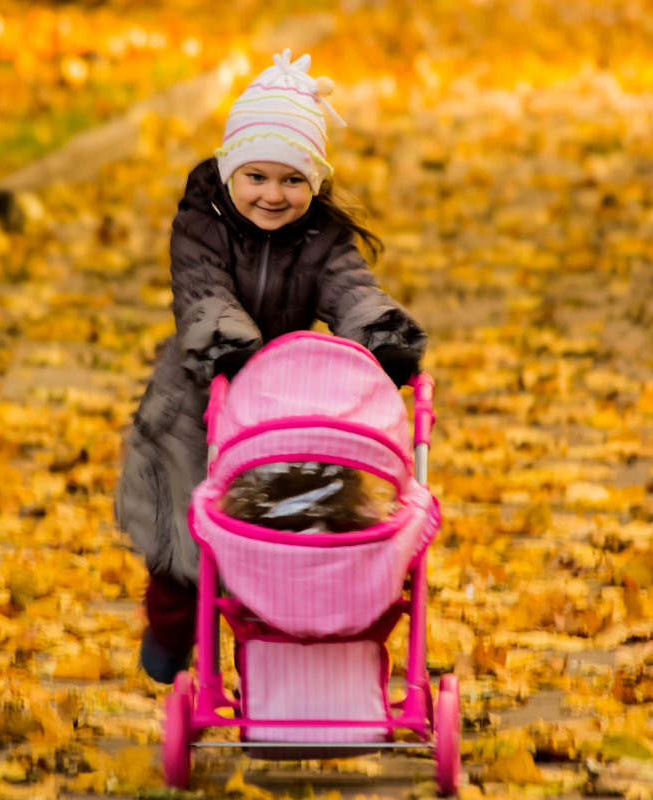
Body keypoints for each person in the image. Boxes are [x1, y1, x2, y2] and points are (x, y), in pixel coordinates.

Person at [113, 50, 427, 683]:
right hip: (203, 393)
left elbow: (349, 286)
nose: (273, 195)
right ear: (230, 172)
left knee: (293, 533)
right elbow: (202, 290)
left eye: (292, 181)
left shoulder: (322, 239)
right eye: (256, 176)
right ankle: (174, 632)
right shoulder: (202, 224)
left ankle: (288, 655)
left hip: (286, 399)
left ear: (313, 183)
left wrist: (379, 332)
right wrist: (226, 340)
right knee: (185, 549)